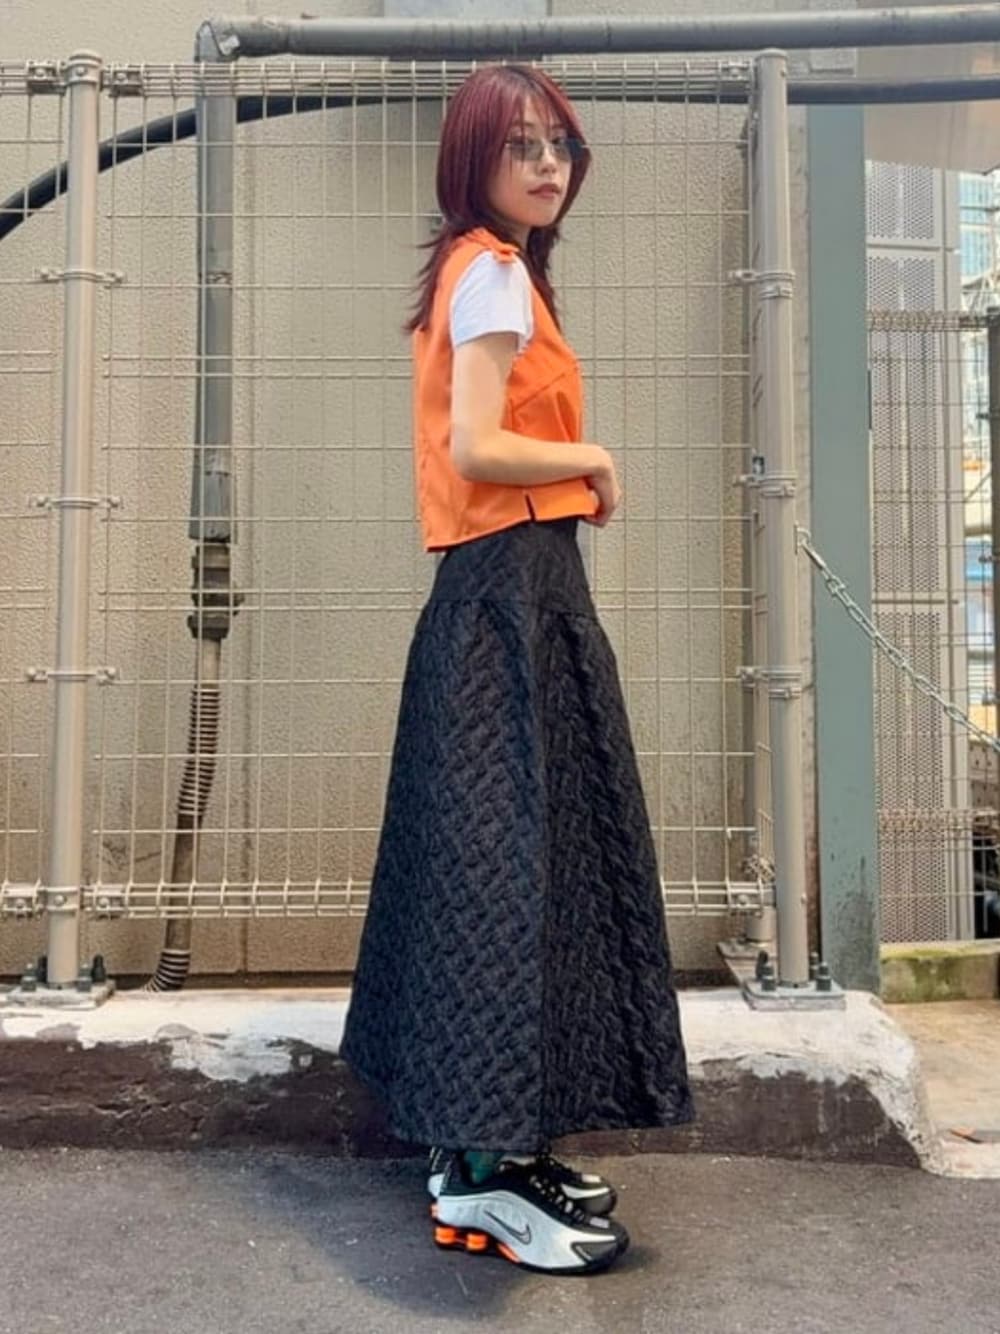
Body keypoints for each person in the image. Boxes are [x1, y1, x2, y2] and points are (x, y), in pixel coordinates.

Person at [341, 62, 693, 1276]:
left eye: (559, 146)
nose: (547, 165)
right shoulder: (489, 270)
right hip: (507, 593)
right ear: (472, 160)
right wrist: (592, 457)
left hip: (506, 591)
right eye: (521, 146)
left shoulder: (487, 269)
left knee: (503, 866)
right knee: (503, 870)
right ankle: (483, 1175)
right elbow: (476, 444)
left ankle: (486, 1151)